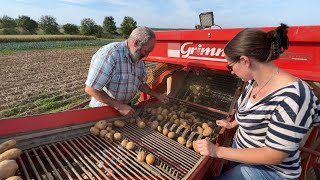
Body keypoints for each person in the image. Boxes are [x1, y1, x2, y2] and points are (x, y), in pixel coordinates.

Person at [195, 24, 320, 179]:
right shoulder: (254, 82)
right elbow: (251, 113)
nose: (231, 72)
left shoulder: (294, 98)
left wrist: (217, 151)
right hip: (240, 153)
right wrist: (233, 124)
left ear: (245, 61)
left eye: (230, 66)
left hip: (269, 169)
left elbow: (274, 154)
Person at [85, 26, 169, 116]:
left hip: (124, 110)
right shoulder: (110, 54)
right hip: (103, 111)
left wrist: (156, 95)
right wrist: (119, 106)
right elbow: (91, 89)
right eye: (146, 51)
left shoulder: (138, 59)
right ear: (136, 43)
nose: (147, 55)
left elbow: (139, 83)